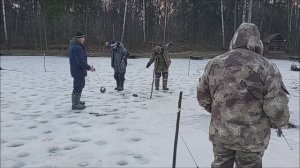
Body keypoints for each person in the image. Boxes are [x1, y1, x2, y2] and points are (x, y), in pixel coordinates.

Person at [197, 23, 290, 168]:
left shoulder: (214, 63)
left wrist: (221, 112)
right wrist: (279, 123)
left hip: (221, 133)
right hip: (252, 138)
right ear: (257, 42)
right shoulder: (267, 66)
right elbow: (277, 107)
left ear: (234, 39)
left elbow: (202, 97)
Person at [69, 31, 95, 110]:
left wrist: (87, 67)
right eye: (83, 37)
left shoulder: (74, 45)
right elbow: (80, 61)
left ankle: (77, 101)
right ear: (79, 38)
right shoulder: (77, 47)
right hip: (78, 71)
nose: (84, 39)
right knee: (78, 86)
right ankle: (75, 104)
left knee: (81, 85)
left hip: (77, 70)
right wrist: (89, 68)